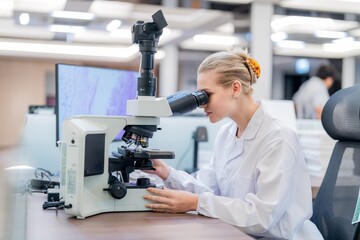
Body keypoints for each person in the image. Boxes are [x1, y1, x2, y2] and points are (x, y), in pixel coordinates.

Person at [143, 49, 323, 239]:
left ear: (235, 88)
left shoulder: (278, 138)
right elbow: (209, 189)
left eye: (206, 95)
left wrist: (196, 203)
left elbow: (262, 217)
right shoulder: (227, 134)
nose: (201, 104)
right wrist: (167, 173)